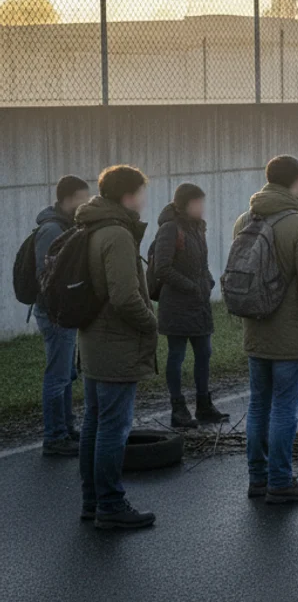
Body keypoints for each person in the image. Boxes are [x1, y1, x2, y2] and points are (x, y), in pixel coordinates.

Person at [234, 155, 298, 504]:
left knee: (258, 407)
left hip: (254, 330)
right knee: (283, 410)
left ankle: (257, 479)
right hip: (290, 334)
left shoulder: (245, 220)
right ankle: (280, 480)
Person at [76, 165, 158, 528]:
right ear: (128, 196)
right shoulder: (117, 234)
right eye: (141, 191)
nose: (143, 198)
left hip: (93, 340)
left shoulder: (91, 227)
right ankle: (110, 504)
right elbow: (125, 297)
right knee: (113, 427)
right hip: (116, 344)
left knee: (94, 423)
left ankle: (92, 501)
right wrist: (151, 324)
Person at [154, 183, 226, 429]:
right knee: (177, 356)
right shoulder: (170, 229)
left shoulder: (197, 228)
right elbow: (161, 268)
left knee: (204, 354)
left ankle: (204, 405)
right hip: (176, 305)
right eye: (197, 203)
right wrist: (191, 286)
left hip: (199, 304)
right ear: (183, 204)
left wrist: (207, 281)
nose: (202, 207)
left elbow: (202, 263)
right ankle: (178, 408)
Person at [33, 175, 89, 457]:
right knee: (57, 376)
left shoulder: (65, 226)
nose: (87, 203)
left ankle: (66, 429)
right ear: (68, 199)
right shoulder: (52, 230)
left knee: (66, 374)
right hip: (54, 313)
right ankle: (54, 437)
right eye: (83, 197)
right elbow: (48, 277)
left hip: (63, 312)